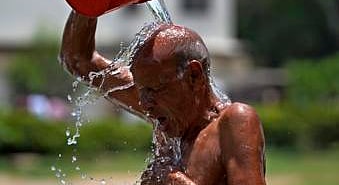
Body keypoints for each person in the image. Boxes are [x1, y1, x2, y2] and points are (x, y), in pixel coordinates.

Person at [59, 10, 266, 185]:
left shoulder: (233, 122)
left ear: (194, 76)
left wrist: (175, 181)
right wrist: (88, 5)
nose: (145, 103)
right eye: (141, 90)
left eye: (155, 89)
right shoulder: (163, 112)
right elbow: (79, 61)